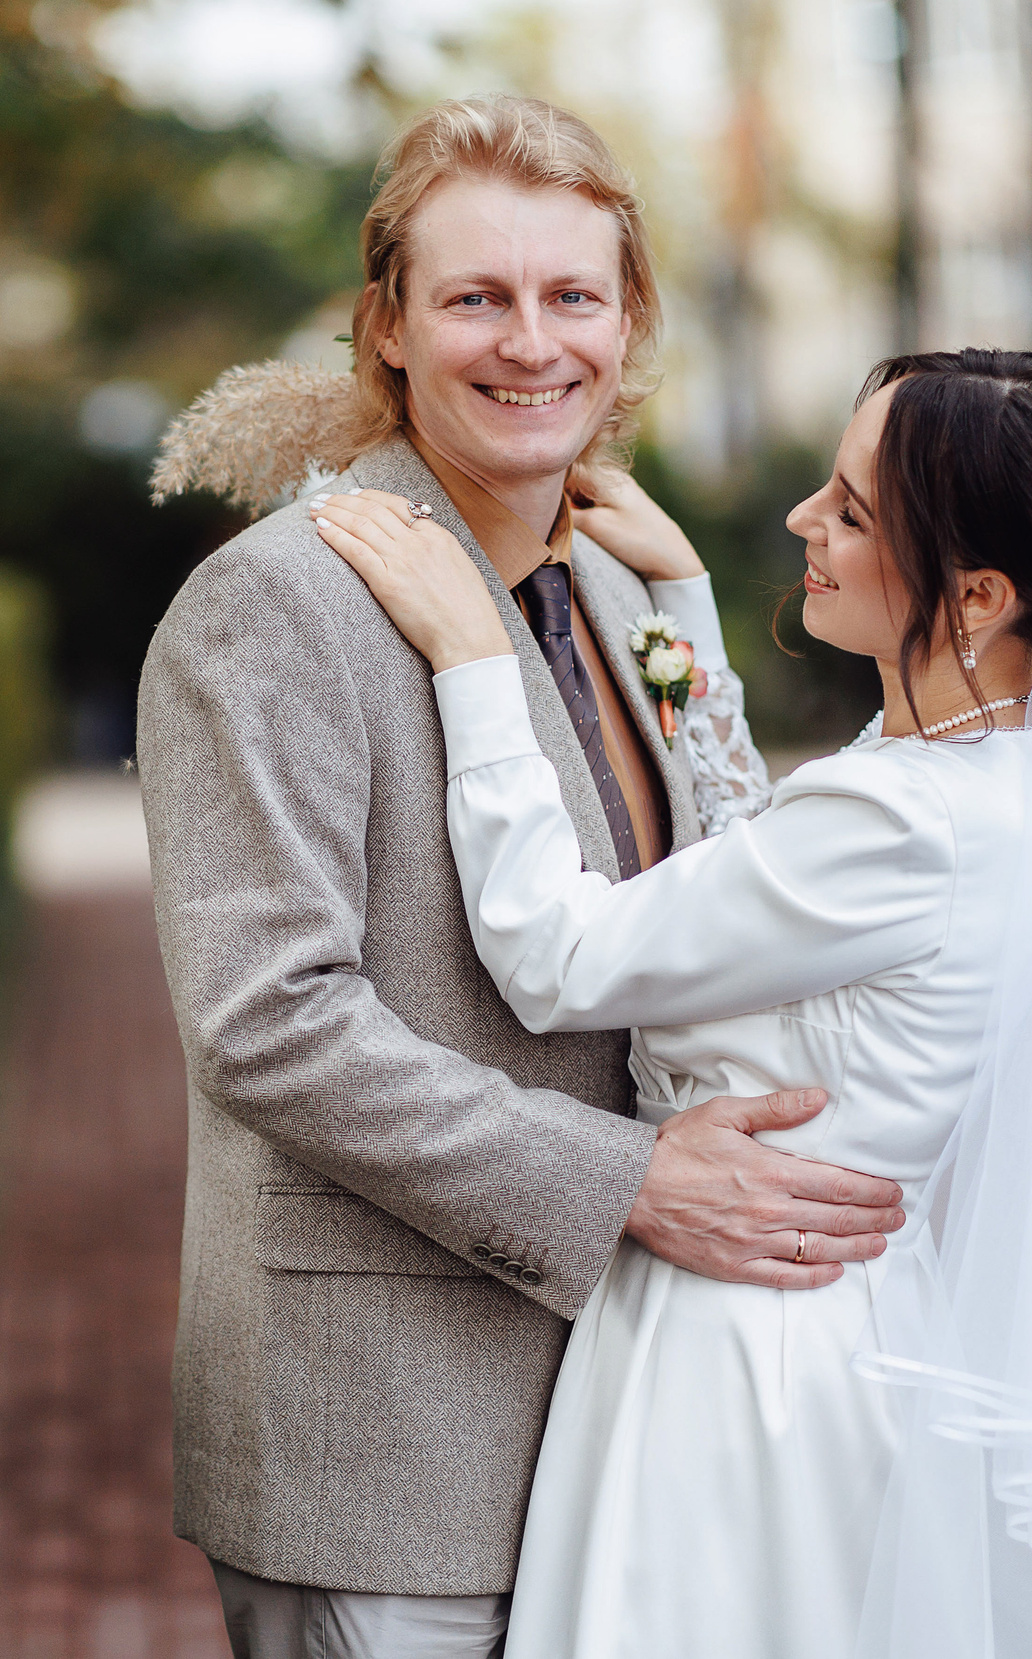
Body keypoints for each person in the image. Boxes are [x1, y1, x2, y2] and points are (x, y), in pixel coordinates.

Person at [313, 349, 1032, 1658]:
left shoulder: (906, 817)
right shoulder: (998, 767)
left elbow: (558, 955)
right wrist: (671, 613)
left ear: (976, 595)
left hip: (747, 1367)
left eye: (852, 510)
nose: (805, 518)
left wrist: (472, 658)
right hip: (855, 1327)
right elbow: (755, 860)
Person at [136, 95, 906, 1658]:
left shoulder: (626, 578)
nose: (530, 343)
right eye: (476, 297)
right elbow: (270, 1022)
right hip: (392, 1444)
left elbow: (713, 888)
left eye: (573, 296)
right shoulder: (273, 609)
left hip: (640, 1424)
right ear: (388, 329)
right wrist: (627, 1180)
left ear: (630, 327)